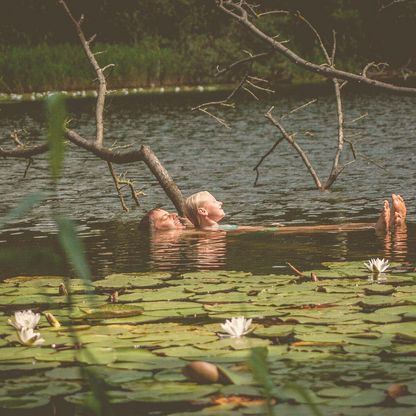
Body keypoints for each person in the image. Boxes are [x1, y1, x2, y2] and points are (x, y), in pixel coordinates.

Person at [140, 192, 407, 233]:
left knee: (316, 228)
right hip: (239, 232)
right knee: (310, 229)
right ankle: (376, 227)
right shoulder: (188, 239)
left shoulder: (191, 233)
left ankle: (390, 224)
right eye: (166, 218)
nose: (173, 216)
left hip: (238, 231)